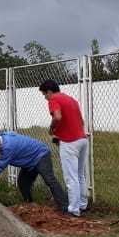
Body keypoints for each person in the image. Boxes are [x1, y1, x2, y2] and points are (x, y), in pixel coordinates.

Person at [0, 132, 69, 211]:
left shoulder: (8, 148)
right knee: (22, 182)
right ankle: (30, 205)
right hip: (29, 161)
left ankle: (65, 207)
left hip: (41, 155)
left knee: (50, 180)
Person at [40, 80, 89, 216]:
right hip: (82, 139)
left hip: (70, 142)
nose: (45, 98)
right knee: (80, 175)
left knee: (70, 177)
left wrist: (52, 128)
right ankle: (83, 205)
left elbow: (57, 116)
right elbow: (80, 121)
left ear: (49, 91)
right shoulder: (71, 99)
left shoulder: (53, 99)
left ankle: (73, 210)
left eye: (45, 95)